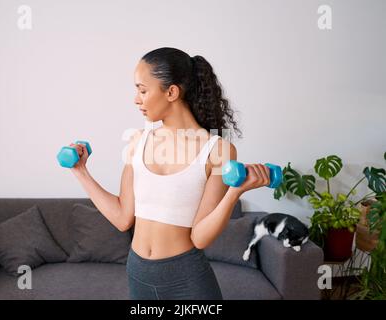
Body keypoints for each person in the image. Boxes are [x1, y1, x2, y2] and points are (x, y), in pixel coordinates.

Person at [69, 47, 271, 300]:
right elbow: (122, 218)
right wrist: (81, 172)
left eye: (143, 90)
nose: (136, 99)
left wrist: (235, 193)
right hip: (138, 271)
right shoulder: (138, 142)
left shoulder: (217, 149)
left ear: (171, 92)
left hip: (185, 277)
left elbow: (199, 237)